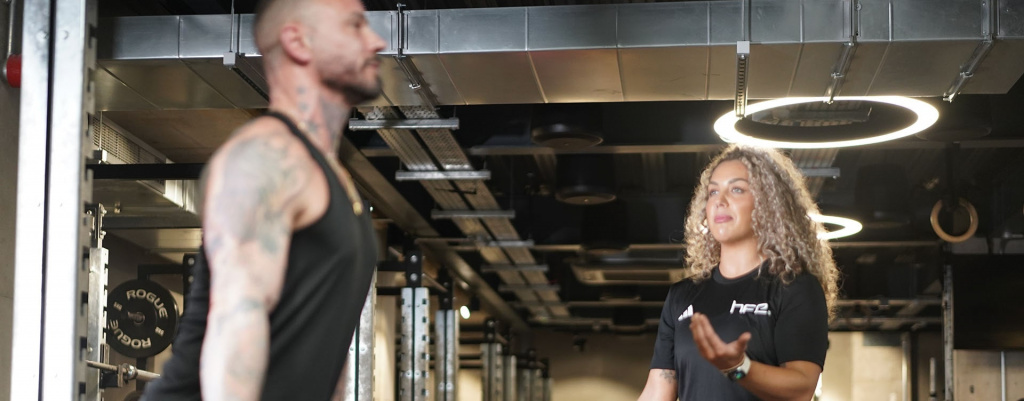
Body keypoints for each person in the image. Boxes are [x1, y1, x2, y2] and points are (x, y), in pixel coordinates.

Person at [142, 0, 387, 399]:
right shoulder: (263, 159)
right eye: (355, 25)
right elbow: (235, 330)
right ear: (298, 42)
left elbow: (325, 349)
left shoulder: (334, 178)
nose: (376, 41)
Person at [637, 145, 840, 401]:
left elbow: (801, 390)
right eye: (713, 191)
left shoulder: (795, 288)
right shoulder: (681, 296)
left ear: (768, 204)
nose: (719, 201)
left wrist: (738, 368)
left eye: (736, 189)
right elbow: (658, 391)